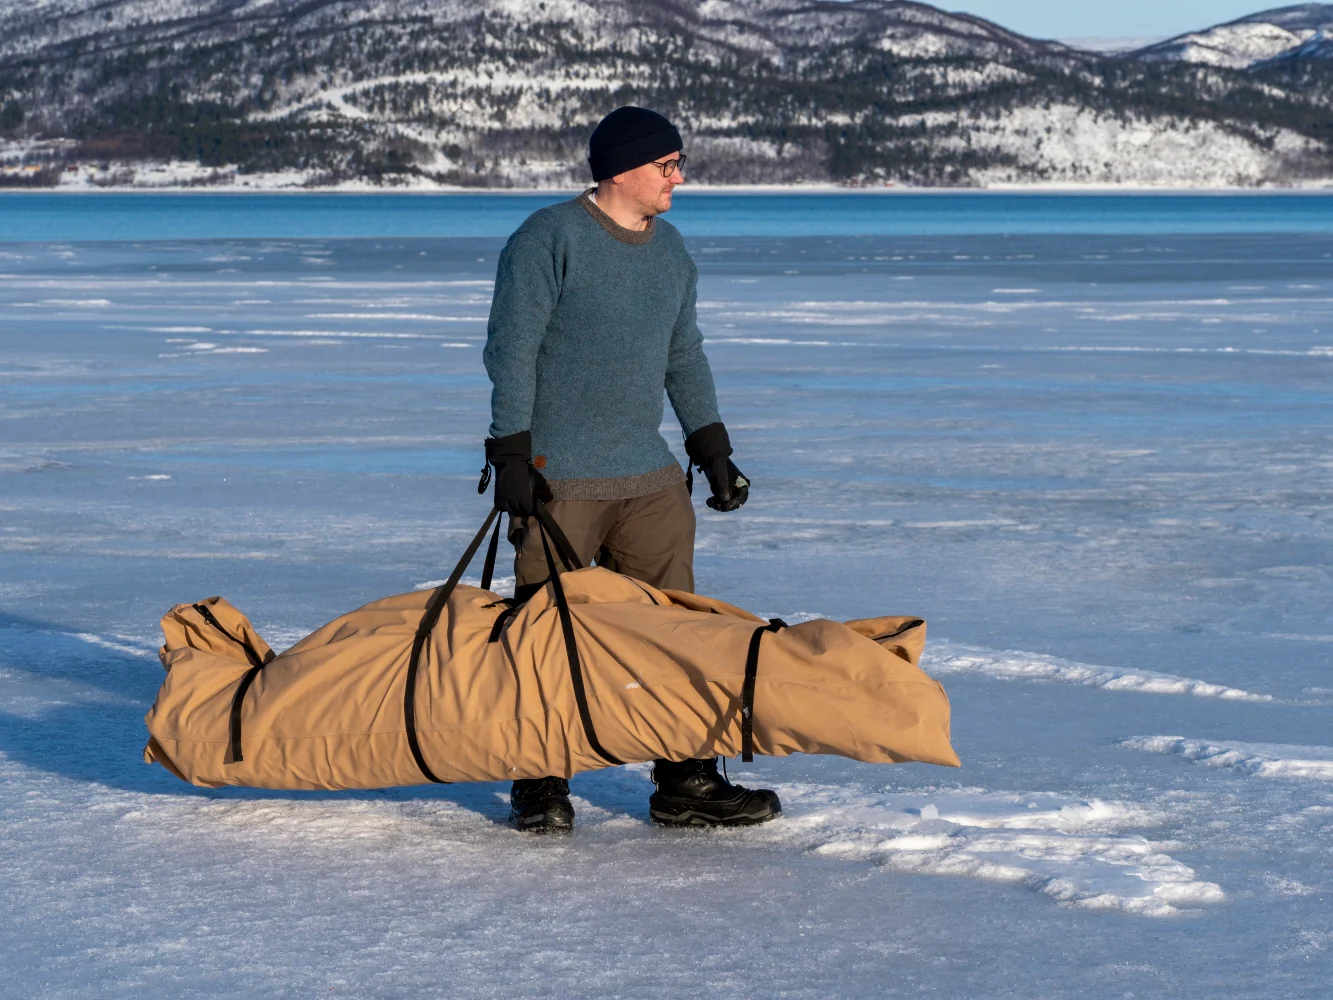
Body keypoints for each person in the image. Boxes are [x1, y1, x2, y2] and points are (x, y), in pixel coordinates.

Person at [481, 106, 782, 833]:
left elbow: (683, 353)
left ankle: (684, 779)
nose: (678, 176)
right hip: (560, 481)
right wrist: (512, 456)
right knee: (545, 637)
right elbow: (511, 350)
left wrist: (711, 447)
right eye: (667, 164)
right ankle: (540, 783)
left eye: (677, 163)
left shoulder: (671, 250)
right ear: (623, 169)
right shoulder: (548, 239)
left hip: (648, 482)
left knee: (673, 636)